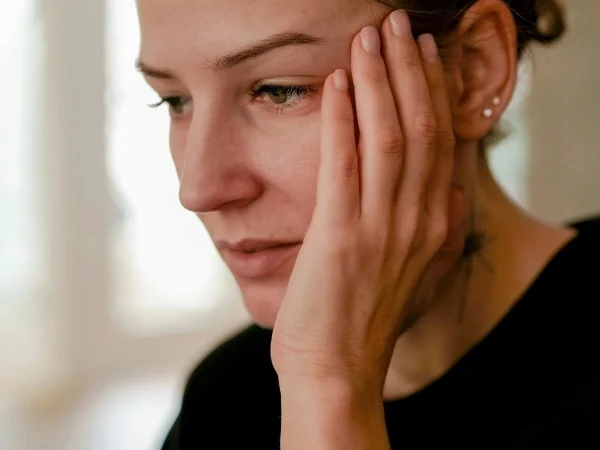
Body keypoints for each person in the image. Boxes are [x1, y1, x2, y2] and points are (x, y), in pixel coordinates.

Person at [135, 0, 599, 448]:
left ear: (474, 70)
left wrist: (328, 390)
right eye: (175, 101)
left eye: (280, 90)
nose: (198, 189)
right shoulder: (224, 399)